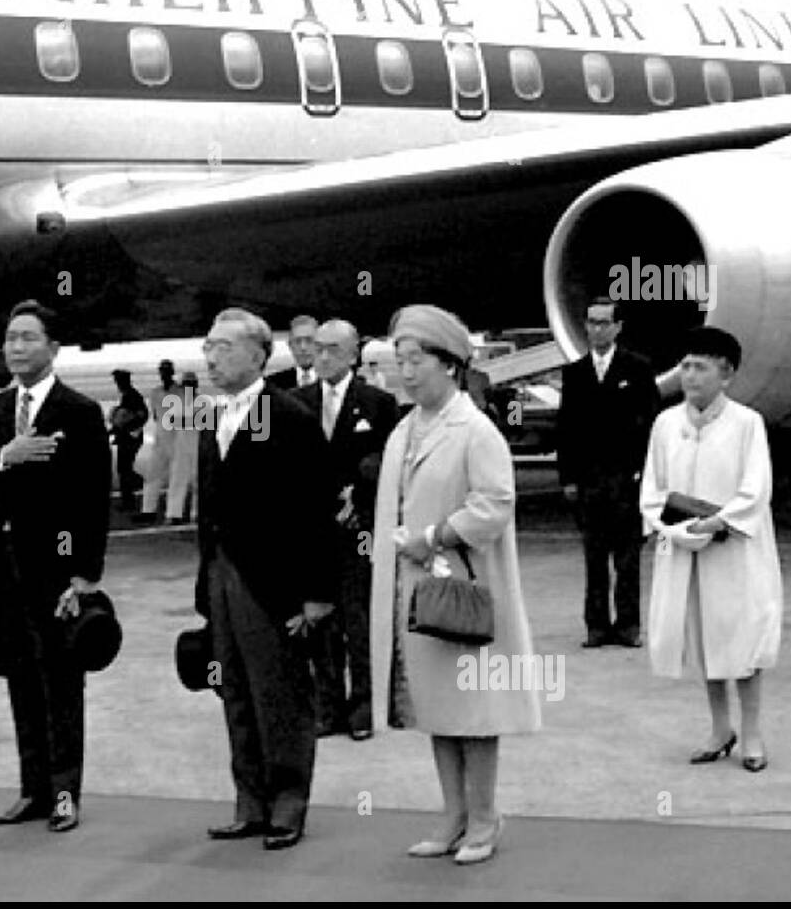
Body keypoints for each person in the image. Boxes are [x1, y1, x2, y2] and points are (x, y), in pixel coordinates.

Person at [370, 305, 541, 865]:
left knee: (475, 710)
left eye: (416, 361)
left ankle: (485, 817)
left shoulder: (475, 429)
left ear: (450, 365)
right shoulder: (405, 429)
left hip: (463, 588)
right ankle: (452, 814)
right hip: (418, 593)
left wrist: (436, 537)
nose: (406, 372)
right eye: (400, 361)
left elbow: (494, 505)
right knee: (435, 708)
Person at [0, 300, 111, 833]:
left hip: (57, 565)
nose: (15, 347)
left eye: (27, 337)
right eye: (9, 337)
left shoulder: (80, 411)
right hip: (3, 565)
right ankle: (33, 789)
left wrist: (85, 575)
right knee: (20, 678)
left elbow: (94, 499)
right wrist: (7, 455)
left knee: (61, 682)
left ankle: (66, 794)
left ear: (52, 347)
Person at [197, 308, 336, 850]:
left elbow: (316, 510)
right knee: (234, 690)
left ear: (259, 355)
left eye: (224, 347)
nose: (211, 356)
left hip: (272, 581)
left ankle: (288, 804)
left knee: (279, 693)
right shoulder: (210, 418)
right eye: (208, 346)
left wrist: (318, 594)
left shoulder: (291, 416)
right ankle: (249, 801)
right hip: (221, 575)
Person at [640, 326, 781, 772]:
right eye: (685, 365)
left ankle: (752, 732)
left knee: (743, 638)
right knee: (705, 638)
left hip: (734, 549)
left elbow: (756, 489)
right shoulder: (666, 423)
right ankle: (721, 727)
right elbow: (653, 486)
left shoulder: (746, 423)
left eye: (701, 367)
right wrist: (670, 527)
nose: (690, 375)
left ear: (727, 374)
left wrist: (718, 521)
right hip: (686, 548)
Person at [293, 319, 399, 741]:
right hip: (315, 530)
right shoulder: (296, 402)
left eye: (331, 349)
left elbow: (389, 464)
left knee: (359, 618)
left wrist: (363, 497)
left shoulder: (378, 403)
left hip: (359, 529)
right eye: (316, 349)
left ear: (354, 354)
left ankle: (364, 704)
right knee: (320, 619)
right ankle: (328, 703)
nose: (321, 357)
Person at [557, 297, 660, 648]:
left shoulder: (638, 369)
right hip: (590, 482)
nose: (596, 329)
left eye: (604, 322)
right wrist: (568, 478)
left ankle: (629, 626)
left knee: (628, 560)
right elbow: (566, 430)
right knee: (594, 560)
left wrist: (647, 475)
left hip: (627, 479)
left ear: (618, 327)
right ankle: (597, 627)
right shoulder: (574, 373)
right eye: (591, 322)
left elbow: (650, 425)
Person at [141, 360, 181, 522]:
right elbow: (156, 415)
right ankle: (148, 510)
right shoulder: (156, 392)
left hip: (177, 438)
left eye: (166, 371)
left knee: (177, 476)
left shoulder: (181, 392)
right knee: (152, 474)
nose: (163, 374)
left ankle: (174, 513)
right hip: (161, 438)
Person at [165, 371, 203, 524]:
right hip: (182, 445)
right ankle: (174, 513)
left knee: (198, 480)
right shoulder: (176, 402)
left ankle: (196, 513)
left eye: (190, 385)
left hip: (197, 444)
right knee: (177, 479)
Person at [108, 369, 148, 512]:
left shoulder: (132, 396)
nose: (117, 384)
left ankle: (130, 500)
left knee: (124, 470)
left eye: (118, 381)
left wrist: (130, 431)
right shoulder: (128, 396)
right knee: (124, 469)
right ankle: (133, 493)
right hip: (127, 437)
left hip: (130, 439)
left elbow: (142, 416)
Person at [266, 314, 319, 390]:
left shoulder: (333, 380)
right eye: (297, 341)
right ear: (290, 345)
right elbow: (264, 402)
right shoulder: (270, 384)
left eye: (309, 340)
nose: (303, 347)